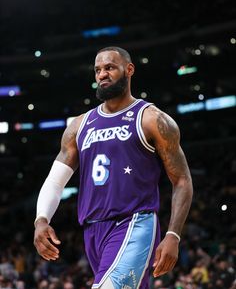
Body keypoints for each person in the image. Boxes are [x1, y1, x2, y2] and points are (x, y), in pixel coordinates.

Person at [34, 47, 193, 289]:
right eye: (98, 70)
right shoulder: (79, 125)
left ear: (129, 70)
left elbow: (182, 180)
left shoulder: (151, 119)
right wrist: (41, 219)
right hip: (92, 231)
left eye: (110, 67)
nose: (102, 74)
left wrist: (173, 234)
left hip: (134, 223)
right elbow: (56, 181)